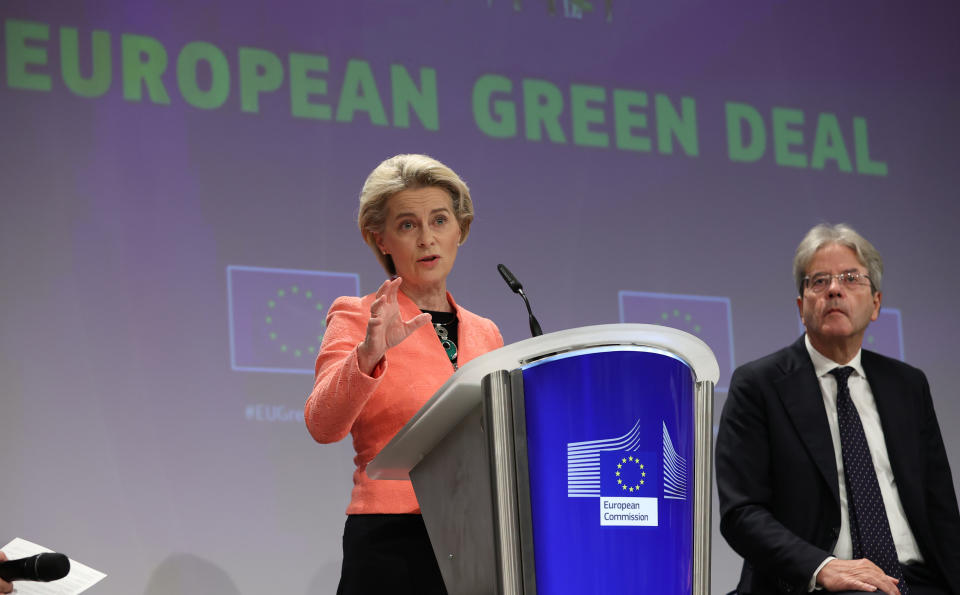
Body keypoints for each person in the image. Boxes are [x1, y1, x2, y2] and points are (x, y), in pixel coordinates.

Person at [716, 223, 960, 595]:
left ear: (875, 303)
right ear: (801, 307)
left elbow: (942, 510)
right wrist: (822, 567)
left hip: (919, 582)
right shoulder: (759, 385)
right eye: (819, 281)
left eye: (850, 278)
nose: (834, 289)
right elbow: (741, 514)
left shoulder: (908, 385)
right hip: (819, 584)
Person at [304, 154, 503, 595]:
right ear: (382, 240)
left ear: (461, 230)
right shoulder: (357, 317)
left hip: (480, 537)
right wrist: (369, 353)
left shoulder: (486, 332)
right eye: (408, 225)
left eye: (440, 220)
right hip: (392, 542)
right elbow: (322, 425)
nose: (427, 238)